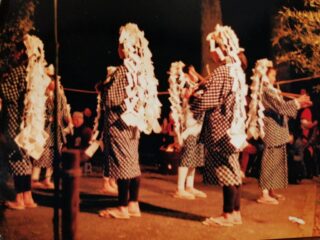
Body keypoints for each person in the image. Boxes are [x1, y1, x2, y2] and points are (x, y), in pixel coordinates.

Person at [93, 23, 161, 219]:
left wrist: (103, 87)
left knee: (122, 165)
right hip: (132, 125)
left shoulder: (122, 71)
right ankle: (133, 204)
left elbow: (111, 100)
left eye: (120, 45)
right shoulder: (141, 70)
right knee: (132, 163)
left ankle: (122, 207)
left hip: (118, 124)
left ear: (125, 47)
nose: (118, 48)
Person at [190, 25, 248, 227]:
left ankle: (227, 214)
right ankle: (235, 213)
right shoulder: (237, 72)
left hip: (221, 130)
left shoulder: (223, 71)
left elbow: (209, 100)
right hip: (234, 130)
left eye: (212, 48)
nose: (210, 52)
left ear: (221, 48)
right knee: (233, 171)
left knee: (226, 173)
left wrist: (192, 100)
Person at [248, 59, 312, 205]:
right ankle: (264, 193)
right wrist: (298, 101)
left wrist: (300, 103)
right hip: (271, 129)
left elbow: (283, 107)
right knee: (269, 160)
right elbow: (281, 107)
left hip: (277, 128)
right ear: (264, 75)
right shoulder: (265, 90)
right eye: (272, 76)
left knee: (277, 160)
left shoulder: (272, 90)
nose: (274, 79)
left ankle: (271, 190)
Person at [0, 40, 37, 209]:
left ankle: (19, 199)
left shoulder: (17, 72)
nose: (13, 55)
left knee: (16, 157)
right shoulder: (32, 73)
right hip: (28, 121)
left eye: (15, 52)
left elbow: (9, 95)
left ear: (22, 52)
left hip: (15, 120)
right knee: (25, 158)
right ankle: (27, 196)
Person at [167, 61, 206, 200]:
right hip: (189, 126)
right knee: (187, 156)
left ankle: (189, 186)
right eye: (189, 72)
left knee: (194, 158)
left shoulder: (197, 85)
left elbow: (205, 83)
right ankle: (180, 188)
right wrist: (193, 78)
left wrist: (196, 74)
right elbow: (187, 96)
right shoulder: (185, 85)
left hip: (199, 126)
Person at [32, 66, 73, 189]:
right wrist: (48, 119)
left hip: (56, 129)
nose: (54, 83)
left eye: (54, 80)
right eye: (51, 80)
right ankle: (34, 178)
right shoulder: (41, 95)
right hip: (44, 128)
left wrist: (69, 123)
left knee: (54, 154)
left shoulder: (59, 96)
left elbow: (64, 111)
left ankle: (47, 179)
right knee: (41, 152)